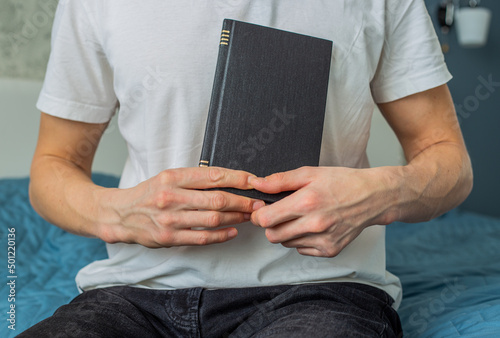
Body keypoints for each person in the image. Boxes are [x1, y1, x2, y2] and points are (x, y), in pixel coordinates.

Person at [20, 0, 472, 337]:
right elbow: (53, 164)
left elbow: (449, 160)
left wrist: (378, 195)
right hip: (135, 294)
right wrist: (119, 212)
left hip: (320, 291)